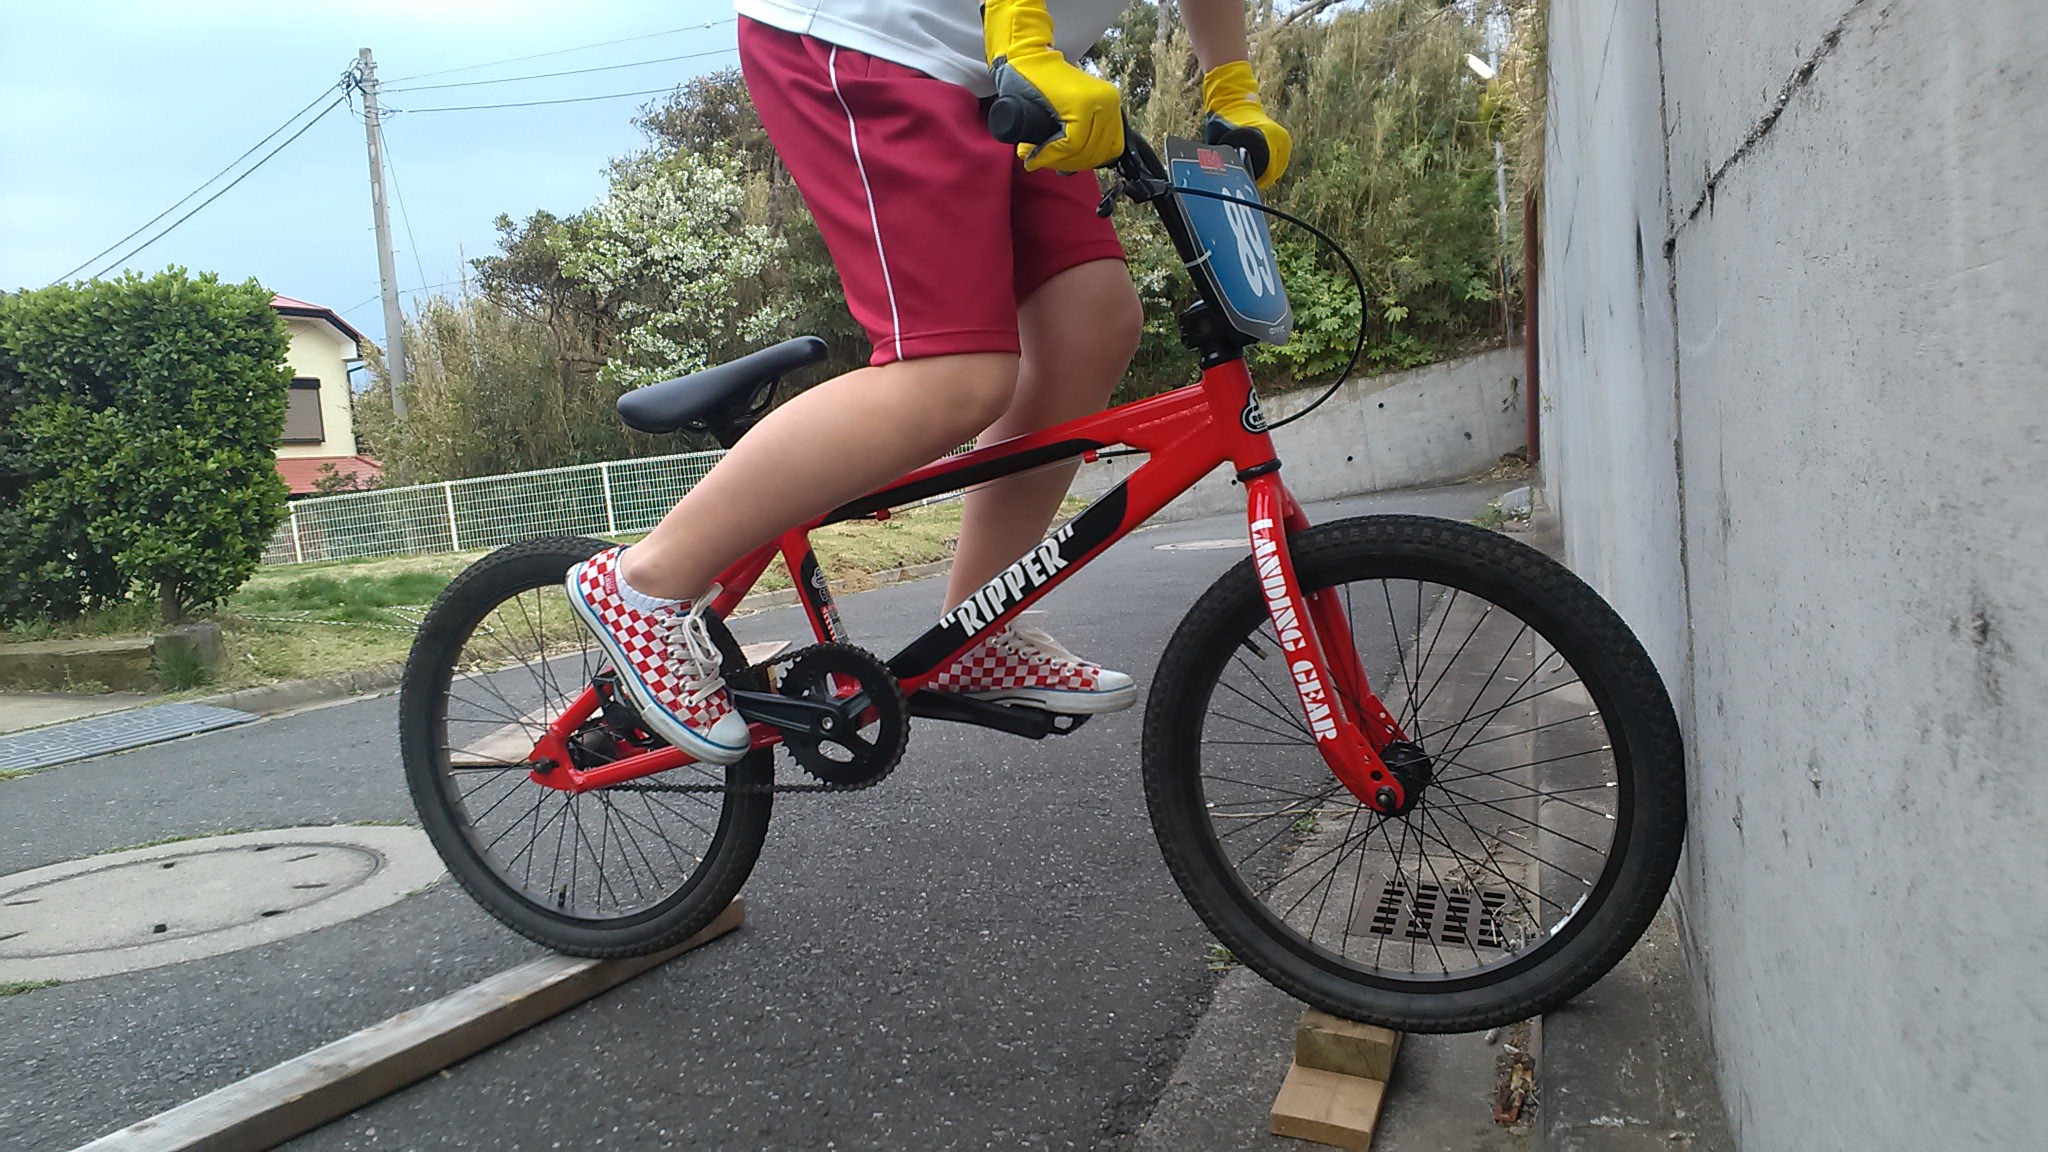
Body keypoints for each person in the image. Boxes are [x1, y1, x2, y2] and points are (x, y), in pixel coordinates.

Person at [565, 0, 1292, 765]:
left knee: (1092, 324)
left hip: (1016, 70)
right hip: (880, 33)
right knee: (954, 378)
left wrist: (1232, 88)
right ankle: (644, 581)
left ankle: (979, 631)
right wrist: (1018, 30)